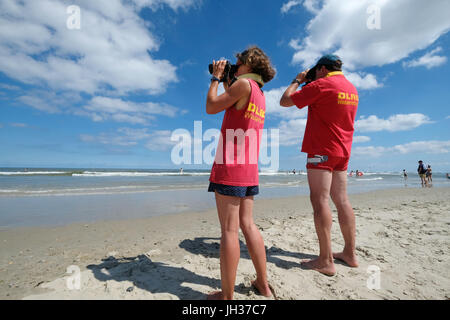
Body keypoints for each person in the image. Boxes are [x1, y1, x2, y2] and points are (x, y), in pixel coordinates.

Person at [206, 46, 276, 299]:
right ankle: (263, 284)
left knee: (228, 230)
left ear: (248, 65)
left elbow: (211, 106)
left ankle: (226, 297)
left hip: (230, 166)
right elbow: (234, 104)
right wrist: (227, 82)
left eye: (238, 62)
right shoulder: (257, 92)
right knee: (248, 224)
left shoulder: (243, 86)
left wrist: (215, 78)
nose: (235, 65)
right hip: (248, 168)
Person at [280, 54, 359, 276]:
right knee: (342, 200)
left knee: (320, 200)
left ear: (323, 69)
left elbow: (285, 100)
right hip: (343, 151)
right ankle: (350, 253)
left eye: (316, 72)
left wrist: (298, 80)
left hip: (321, 150)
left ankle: (325, 260)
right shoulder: (351, 88)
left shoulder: (323, 84)